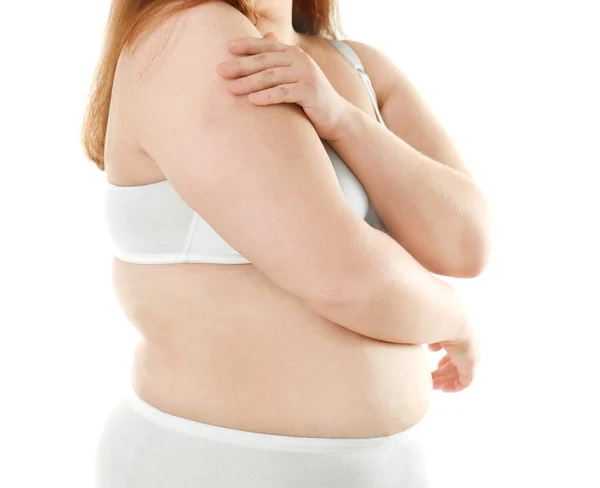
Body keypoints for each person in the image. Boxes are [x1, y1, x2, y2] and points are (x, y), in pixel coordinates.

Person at [83, 0, 492, 486]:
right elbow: (341, 274)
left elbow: (465, 244)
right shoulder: (195, 32)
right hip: (220, 465)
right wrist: (458, 319)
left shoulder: (359, 64)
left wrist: (342, 119)